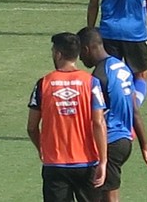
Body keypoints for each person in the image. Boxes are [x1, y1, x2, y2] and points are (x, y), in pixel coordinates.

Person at [77, 27, 147, 202]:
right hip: (125, 141)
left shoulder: (99, 77)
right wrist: (145, 145)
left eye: (80, 53)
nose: (80, 59)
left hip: (110, 142)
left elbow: (95, 117)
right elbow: (135, 110)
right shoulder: (120, 67)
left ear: (86, 49)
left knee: (107, 197)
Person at [27, 32, 108, 202]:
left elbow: (32, 127)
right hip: (87, 162)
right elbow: (98, 123)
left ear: (57, 54)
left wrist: (42, 148)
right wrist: (103, 160)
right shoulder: (91, 83)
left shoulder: (43, 84)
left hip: (55, 164)